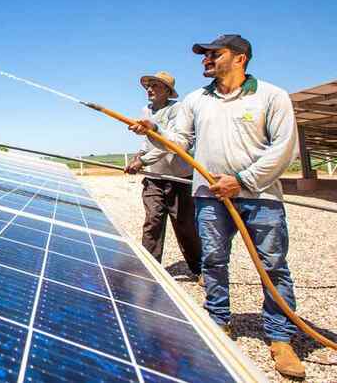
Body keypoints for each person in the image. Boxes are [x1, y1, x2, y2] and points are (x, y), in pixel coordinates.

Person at [129, 34, 305, 379]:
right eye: (204, 55)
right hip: (210, 198)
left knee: (272, 266)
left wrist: (241, 179)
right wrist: (152, 131)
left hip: (261, 197)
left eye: (213, 54)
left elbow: (285, 149)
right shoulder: (197, 100)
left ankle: (280, 337)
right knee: (212, 260)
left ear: (240, 58)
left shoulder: (272, 96)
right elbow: (179, 140)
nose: (205, 60)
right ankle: (217, 321)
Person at [124, 71, 202, 283]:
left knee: (184, 225)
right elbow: (147, 142)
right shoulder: (146, 111)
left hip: (178, 177)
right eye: (148, 86)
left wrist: (144, 161)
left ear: (168, 90)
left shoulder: (178, 109)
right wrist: (137, 158)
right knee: (152, 222)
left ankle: (199, 268)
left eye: (155, 86)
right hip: (154, 177)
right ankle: (149, 270)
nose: (149, 90)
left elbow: (172, 145)